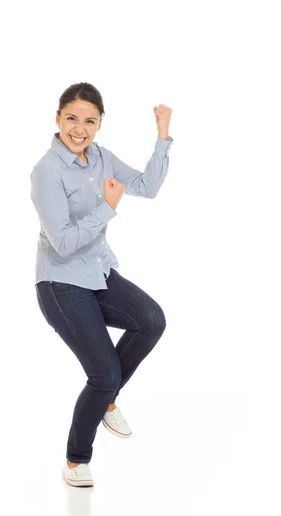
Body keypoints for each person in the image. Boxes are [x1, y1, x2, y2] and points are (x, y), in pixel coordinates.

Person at [30, 82, 173, 487]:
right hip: (60, 283)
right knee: (104, 372)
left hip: (99, 272)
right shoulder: (47, 171)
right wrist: (108, 209)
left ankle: (107, 397)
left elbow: (147, 186)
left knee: (151, 319)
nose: (80, 129)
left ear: (99, 124)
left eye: (89, 121)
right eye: (72, 118)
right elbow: (63, 241)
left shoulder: (102, 158)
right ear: (58, 119)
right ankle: (76, 460)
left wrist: (162, 135)